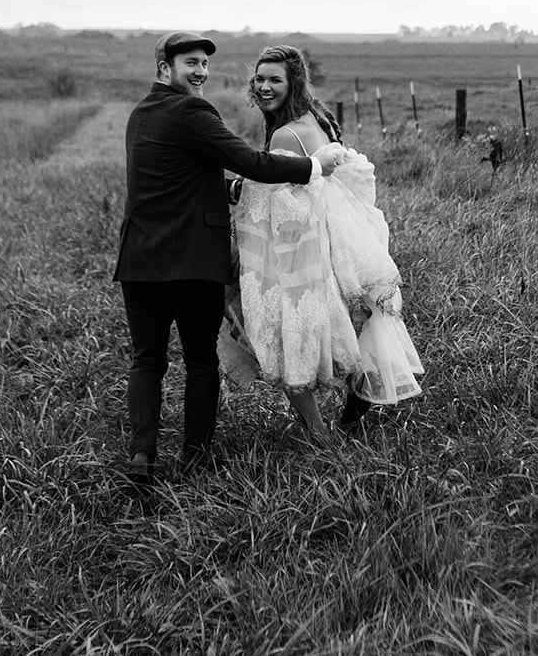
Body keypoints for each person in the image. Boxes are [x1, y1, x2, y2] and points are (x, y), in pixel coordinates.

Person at [114, 32, 347, 481]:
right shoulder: (193, 111)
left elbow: (175, 177)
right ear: (165, 68)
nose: (200, 71)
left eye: (204, 63)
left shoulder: (140, 114)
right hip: (190, 262)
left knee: (147, 361)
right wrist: (313, 167)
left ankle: (141, 455)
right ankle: (196, 459)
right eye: (190, 63)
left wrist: (229, 190)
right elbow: (251, 161)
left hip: (139, 261)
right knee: (202, 362)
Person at [222, 44, 424, 443]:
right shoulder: (316, 118)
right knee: (346, 318)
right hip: (335, 234)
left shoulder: (284, 132)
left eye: (274, 80)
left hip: (305, 240)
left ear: (292, 82)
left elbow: (272, 197)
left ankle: (318, 432)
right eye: (259, 79)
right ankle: (353, 406)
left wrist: (230, 191)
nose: (264, 87)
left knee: (286, 327)